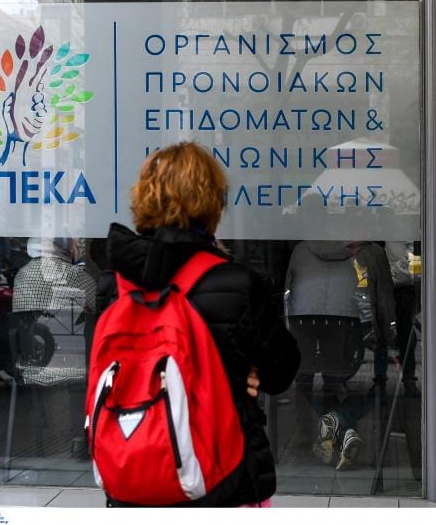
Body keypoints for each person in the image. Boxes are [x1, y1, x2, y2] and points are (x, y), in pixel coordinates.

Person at [95, 141, 300, 506]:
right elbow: (281, 370)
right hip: (223, 481)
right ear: (212, 202)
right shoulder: (238, 284)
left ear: (144, 198)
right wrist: (246, 371)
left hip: (133, 476)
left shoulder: (115, 287)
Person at [285, 238, 396, 470]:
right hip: (346, 318)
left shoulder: (302, 248)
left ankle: (333, 430)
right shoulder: (372, 251)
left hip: (303, 317)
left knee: (303, 380)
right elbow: (383, 297)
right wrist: (388, 336)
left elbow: (288, 291)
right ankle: (342, 423)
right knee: (339, 381)